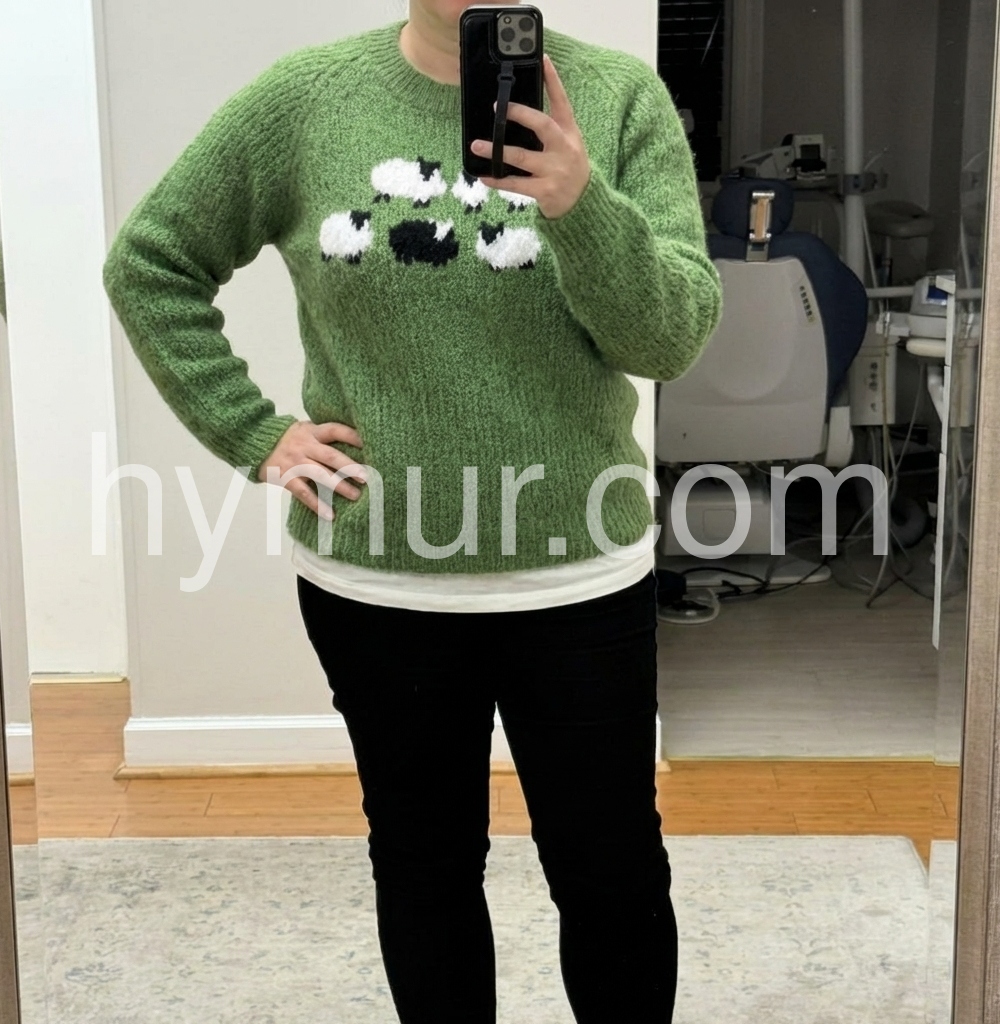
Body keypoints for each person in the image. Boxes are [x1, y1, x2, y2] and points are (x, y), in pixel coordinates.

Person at [101, 1, 723, 1021]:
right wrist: (254, 431)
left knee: (610, 872)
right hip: (379, 584)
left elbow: (670, 340)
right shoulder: (305, 102)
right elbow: (150, 260)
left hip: (580, 578)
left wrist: (580, 204)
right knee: (424, 866)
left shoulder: (618, 99)